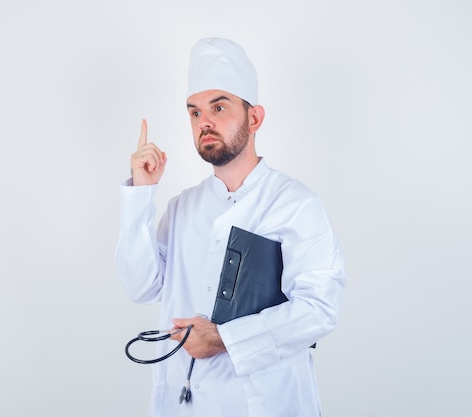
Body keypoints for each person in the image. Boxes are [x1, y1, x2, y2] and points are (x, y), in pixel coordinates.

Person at [116, 37, 345, 417]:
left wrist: (225, 339)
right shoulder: (182, 208)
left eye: (219, 107)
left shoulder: (295, 205)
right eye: (194, 112)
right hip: (184, 403)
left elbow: (319, 308)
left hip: (267, 405)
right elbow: (140, 285)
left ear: (254, 118)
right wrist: (141, 194)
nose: (204, 121)